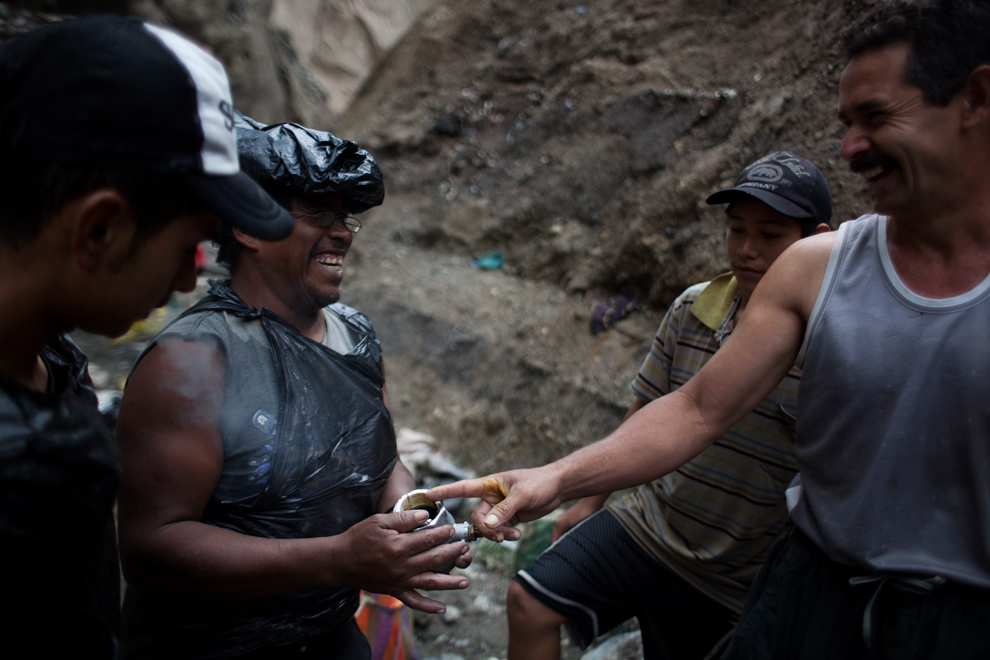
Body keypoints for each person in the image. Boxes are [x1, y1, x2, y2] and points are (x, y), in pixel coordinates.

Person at [431, 1, 990, 656]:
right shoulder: (816, 270)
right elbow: (695, 409)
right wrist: (559, 479)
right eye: (846, 123)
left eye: (877, 117)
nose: (850, 147)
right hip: (809, 592)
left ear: (976, 99)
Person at [115, 114, 471, 659]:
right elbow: (151, 544)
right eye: (319, 214)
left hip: (327, 632)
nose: (342, 233)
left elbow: (382, 461)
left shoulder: (355, 333)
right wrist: (337, 558)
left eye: (346, 218)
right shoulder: (193, 361)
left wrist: (417, 531)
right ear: (249, 225)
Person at [0, 17, 293, 657]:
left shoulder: (52, 366)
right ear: (99, 229)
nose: (193, 273)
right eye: (189, 240)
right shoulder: (24, 466)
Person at [507, 152, 831, 660]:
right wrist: (589, 502)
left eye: (771, 236)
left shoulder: (829, 346)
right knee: (529, 601)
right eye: (736, 230)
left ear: (817, 241)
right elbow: (646, 411)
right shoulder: (693, 309)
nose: (747, 250)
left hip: (735, 576)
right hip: (647, 524)